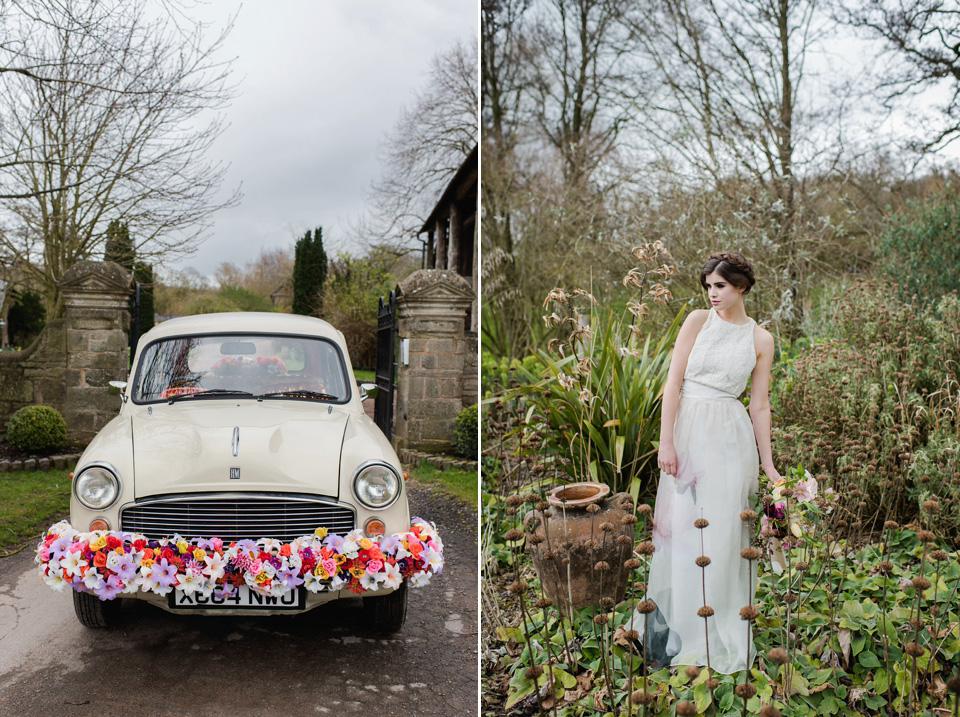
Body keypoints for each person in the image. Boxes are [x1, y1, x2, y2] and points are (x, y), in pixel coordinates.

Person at [630, 251, 781, 674]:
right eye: (709, 286)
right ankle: (678, 627)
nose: (713, 294)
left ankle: (715, 627)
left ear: (742, 287)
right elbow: (673, 381)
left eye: (721, 286)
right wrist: (666, 443)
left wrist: (769, 465)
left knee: (723, 531)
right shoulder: (698, 320)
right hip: (688, 430)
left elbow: (760, 405)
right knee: (683, 532)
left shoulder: (760, 339)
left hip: (731, 438)